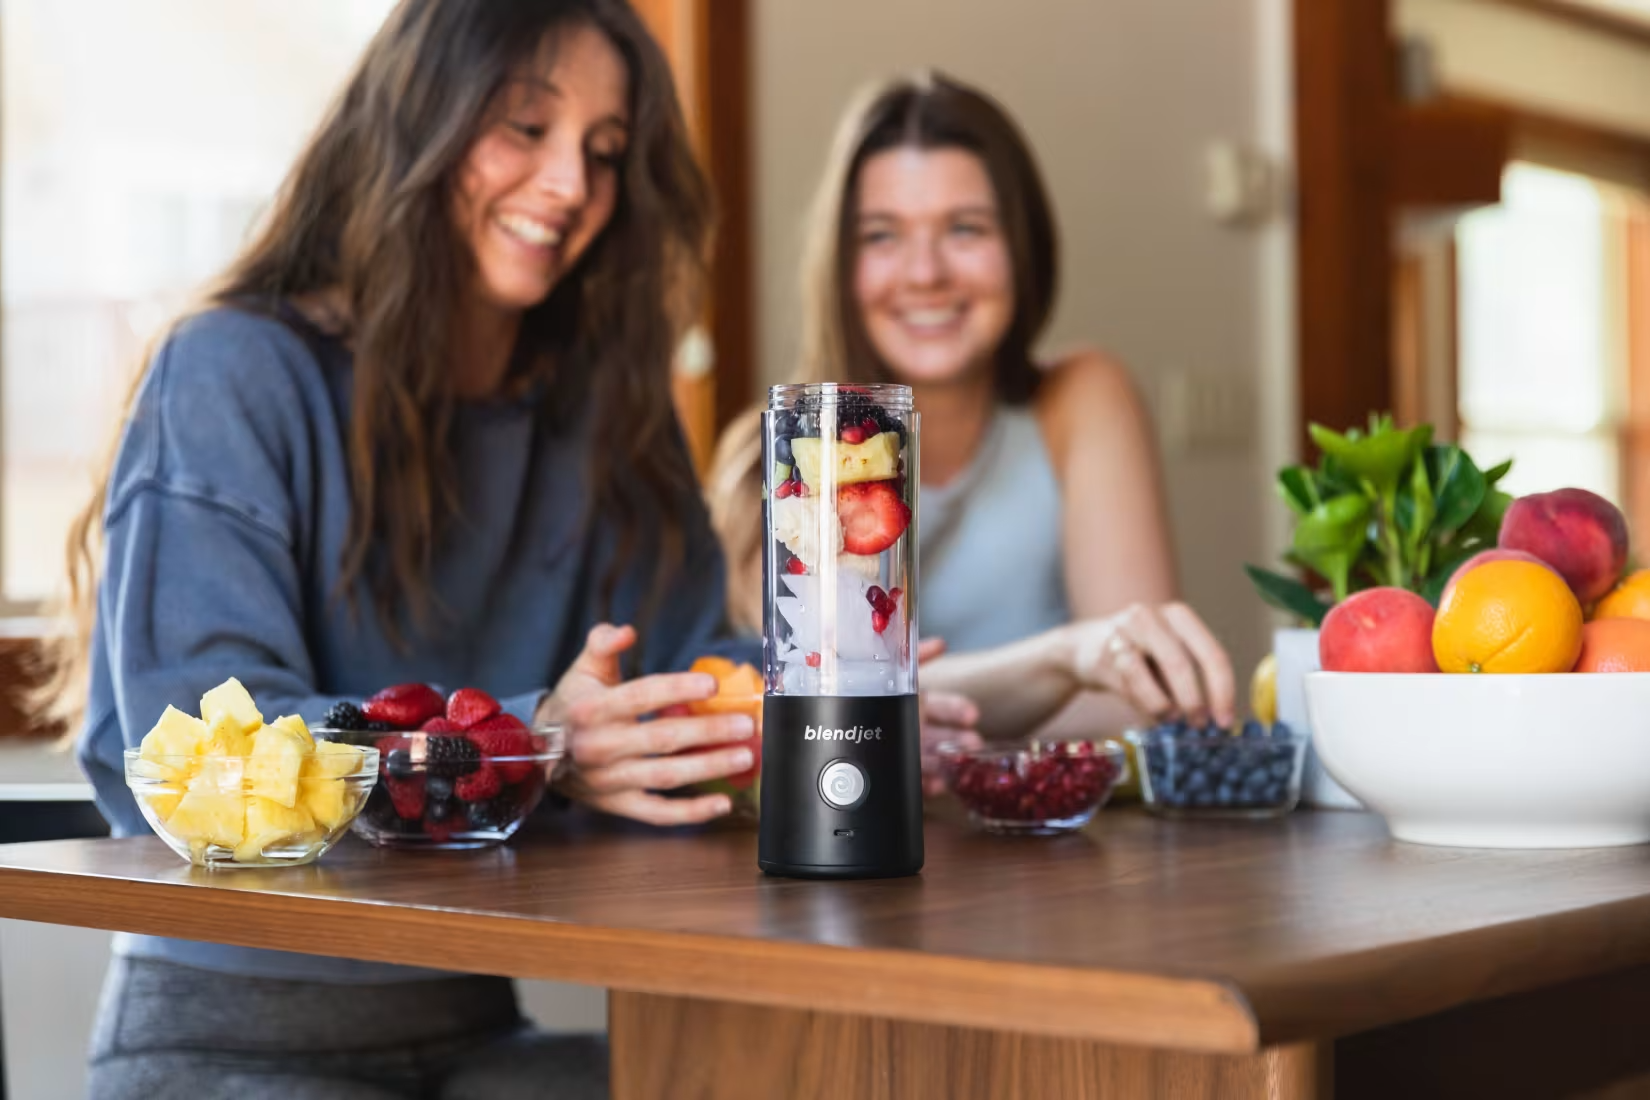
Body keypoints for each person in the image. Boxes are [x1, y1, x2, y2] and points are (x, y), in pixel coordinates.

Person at [45, 1, 761, 1095]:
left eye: (606, 151)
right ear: (420, 121)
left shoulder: (609, 413)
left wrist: (839, 708)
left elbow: (692, 676)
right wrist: (535, 740)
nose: (571, 183)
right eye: (526, 127)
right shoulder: (231, 369)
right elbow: (204, 746)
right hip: (225, 1040)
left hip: (474, 1022)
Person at [707, 71, 1236, 741]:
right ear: (838, 264)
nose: (925, 273)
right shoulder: (776, 457)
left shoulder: (1082, 399)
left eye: (965, 228)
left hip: (1045, 813)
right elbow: (829, 700)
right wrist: (1063, 659)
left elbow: (1138, 697)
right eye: (881, 235)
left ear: (1023, 247)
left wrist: (942, 737)